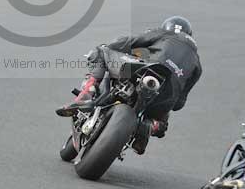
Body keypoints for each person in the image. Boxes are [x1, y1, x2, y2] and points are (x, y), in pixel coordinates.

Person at [56, 16, 202, 154]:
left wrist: (113, 46)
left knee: (102, 51)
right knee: (163, 120)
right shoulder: (197, 64)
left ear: (168, 27)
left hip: (143, 69)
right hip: (167, 95)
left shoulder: (165, 34)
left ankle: (87, 93)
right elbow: (179, 104)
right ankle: (151, 127)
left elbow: (129, 41)